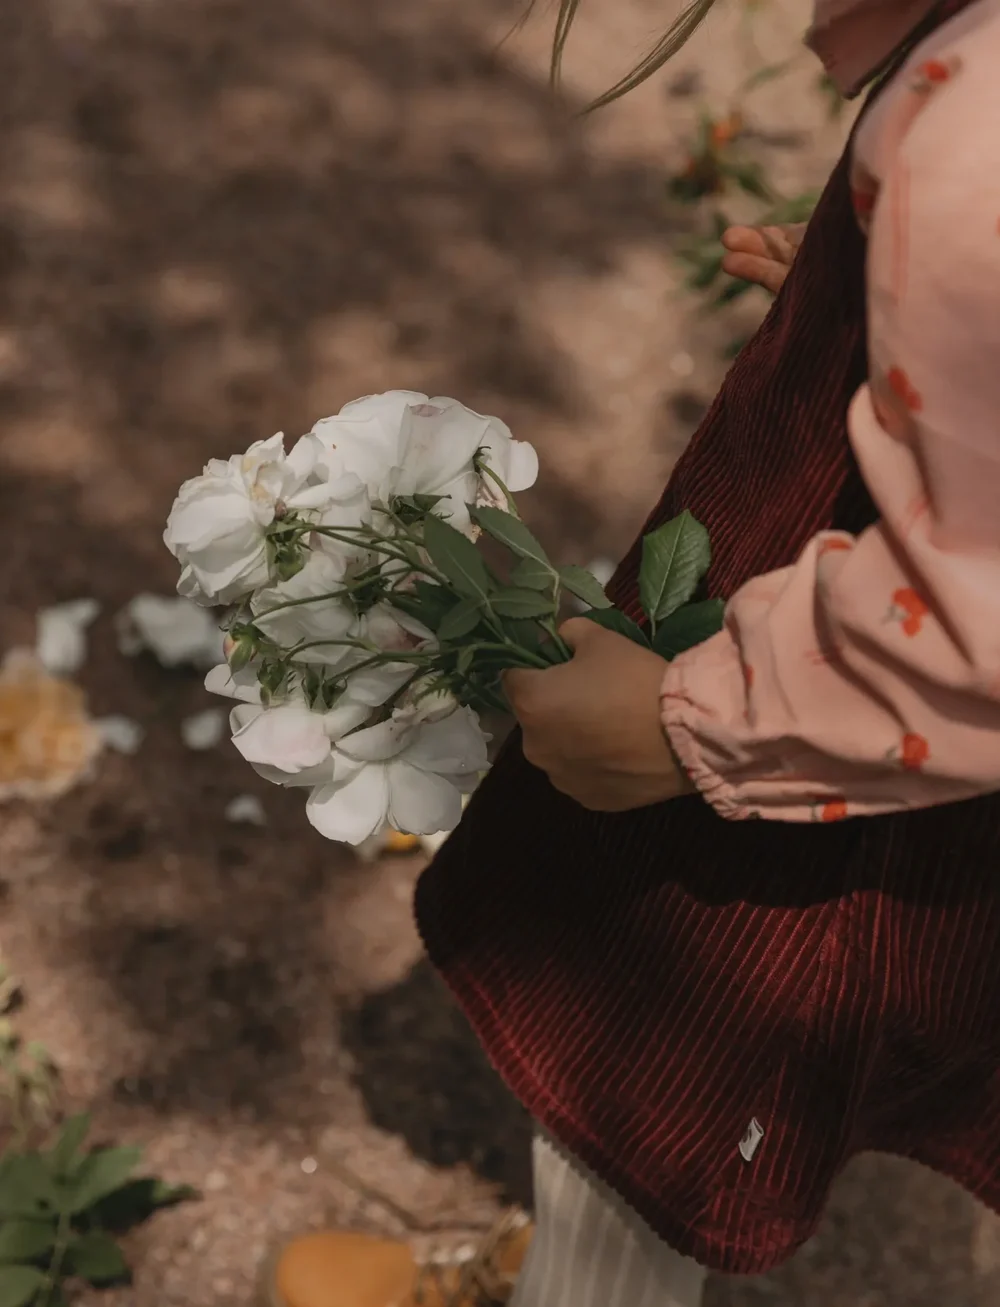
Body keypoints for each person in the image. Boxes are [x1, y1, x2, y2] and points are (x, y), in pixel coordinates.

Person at [262, 0, 1000, 1301]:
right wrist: (901, 307)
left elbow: (976, 609)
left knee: (655, 1053)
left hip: (837, 741)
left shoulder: (978, 130)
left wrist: (695, 720)